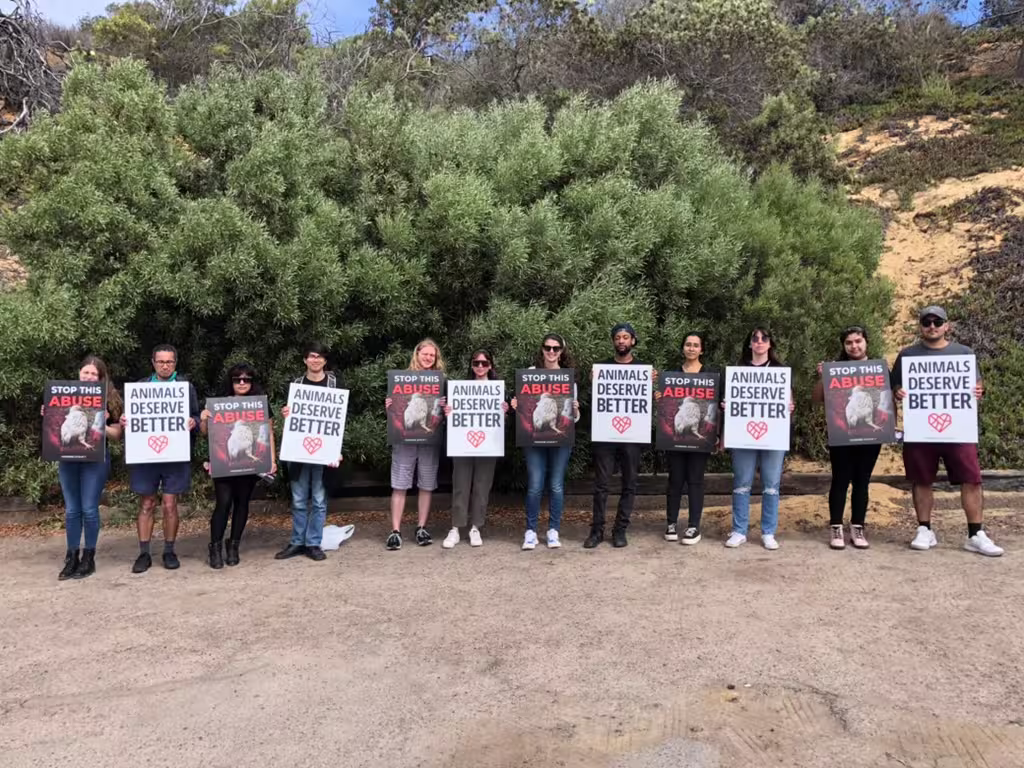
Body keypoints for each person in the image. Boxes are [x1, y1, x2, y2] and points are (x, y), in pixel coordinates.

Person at [892, 305, 1002, 557]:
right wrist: (898, 391)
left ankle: (975, 533)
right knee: (921, 479)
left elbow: (977, 384)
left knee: (971, 478)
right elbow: (896, 386)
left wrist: (979, 391)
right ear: (920, 326)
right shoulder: (907, 355)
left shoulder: (964, 353)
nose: (932, 326)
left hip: (958, 428)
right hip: (920, 428)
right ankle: (924, 529)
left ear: (946, 325)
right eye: (927, 322)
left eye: (937, 322)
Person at [123, 344, 200, 573]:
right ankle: (144, 553)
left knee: (169, 504)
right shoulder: (140, 387)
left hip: (175, 455)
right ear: (153, 362)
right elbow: (128, 418)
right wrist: (125, 421)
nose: (165, 365)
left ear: (175, 363)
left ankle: (169, 550)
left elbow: (196, 416)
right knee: (146, 503)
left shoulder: (186, 387)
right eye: (160, 361)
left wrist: (193, 422)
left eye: (169, 362)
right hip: (145, 456)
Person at [51, 356, 123, 580]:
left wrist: (101, 424)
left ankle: (88, 557)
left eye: (94, 374)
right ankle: (71, 555)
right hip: (68, 459)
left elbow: (117, 435)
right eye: (86, 373)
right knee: (72, 509)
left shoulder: (109, 399)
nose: (89, 377)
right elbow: (54, 428)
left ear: (101, 378)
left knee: (89, 509)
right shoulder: (62, 396)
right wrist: (48, 414)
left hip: (95, 460)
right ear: (79, 373)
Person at [200, 362, 277, 568]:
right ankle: (215, 546)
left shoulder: (260, 404)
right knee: (223, 503)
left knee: (242, 502)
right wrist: (204, 419)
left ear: (252, 382)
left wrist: (272, 460)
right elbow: (206, 433)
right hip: (225, 463)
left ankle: (233, 545)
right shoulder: (219, 403)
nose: (242, 383)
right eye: (237, 379)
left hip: (249, 465)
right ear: (231, 382)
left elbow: (268, 432)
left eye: (246, 379)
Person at [813, 326, 883, 550]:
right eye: (849, 342)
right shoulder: (836, 369)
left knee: (862, 481)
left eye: (858, 341)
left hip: (871, 435)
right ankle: (836, 526)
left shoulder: (878, 369)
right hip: (842, 433)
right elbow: (817, 399)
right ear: (844, 346)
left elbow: (888, 399)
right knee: (840, 480)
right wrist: (822, 378)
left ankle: (858, 527)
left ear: (866, 342)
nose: (854, 346)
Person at [726, 327, 795, 550]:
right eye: (754, 338)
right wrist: (726, 405)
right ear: (749, 344)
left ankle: (768, 532)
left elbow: (789, 401)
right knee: (741, 484)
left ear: (770, 343)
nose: (759, 342)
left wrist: (790, 406)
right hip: (742, 435)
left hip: (773, 434)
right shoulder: (738, 371)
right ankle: (739, 530)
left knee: (772, 485)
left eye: (764, 338)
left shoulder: (780, 371)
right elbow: (728, 400)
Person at [510, 334, 580, 550]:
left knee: (556, 486)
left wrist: (576, 410)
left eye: (556, 348)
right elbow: (524, 406)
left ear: (561, 351)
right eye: (547, 348)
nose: (551, 352)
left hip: (561, 440)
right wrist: (515, 405)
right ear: (542, 350)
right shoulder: (530, 374)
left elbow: (573, 417)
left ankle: (553, 530)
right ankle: (530, 531)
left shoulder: (569, 379)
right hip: (534, 438)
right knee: (535, 485)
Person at [275, 342, 341, 562]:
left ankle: (313, 543)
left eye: (320, 356)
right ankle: (297, 541)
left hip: (324, 451)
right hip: (299, 451)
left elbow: (340, 421)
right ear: (305, 360)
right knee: (299, 499)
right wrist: (286, 414)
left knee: (320, 500)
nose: (315, 360)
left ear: (325, 360)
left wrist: (337, 449)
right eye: (312, 356)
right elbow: (291, 420)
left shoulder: (334, 384)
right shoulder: (296, 384)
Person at [585, 323, 646, 549]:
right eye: (617, 337)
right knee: (601, 484)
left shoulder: (643, 369)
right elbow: (594, 401)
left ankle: (620, 530)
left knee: (629, 483)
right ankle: (597, 530)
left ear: (633, 341)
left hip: (633, 435)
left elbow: (651, 401)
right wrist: (594, 383)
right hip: (605, 434)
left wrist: (653, 386)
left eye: (626, 337)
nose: (621, 341)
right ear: (613, 341)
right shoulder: (601, 368)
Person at [441, 350, 508, 549]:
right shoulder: (460, 388)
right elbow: (450, 418)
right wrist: (448, 412)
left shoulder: (498, 389)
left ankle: (475, 527)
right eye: (476, 363)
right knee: (460, 485)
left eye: (484, 363)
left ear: (490, 365)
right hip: (462, 443)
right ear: (471, 365)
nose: (480, 366)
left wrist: (504, 413)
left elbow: (503, 422)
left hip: (488, 444)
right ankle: (456, 527)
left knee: (482, 486)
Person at [385, 339, 446, 551]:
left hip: (430, 439)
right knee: (400, 483)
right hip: (404, 439)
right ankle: (395, 531)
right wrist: (389, 406)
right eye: (425, 354)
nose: (428, 358)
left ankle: (421, 528)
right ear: (416, 354)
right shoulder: (401, 379)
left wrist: (447, 408)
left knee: (426, 484)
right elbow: (397, 412)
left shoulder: (441, 381)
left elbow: (443, 412)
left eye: (432, 355)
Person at [660, 332, 714, 546]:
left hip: (700, 440)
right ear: (683, 348)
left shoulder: (710, 375)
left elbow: (714, 408)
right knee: (674, 481)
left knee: (695, 481)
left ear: (702, 350)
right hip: (675, 439)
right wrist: (659, 398)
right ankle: (671, 523)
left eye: (695, 345)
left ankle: (694, 526)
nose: (691, 348)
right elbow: (665, 407)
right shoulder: (672, 375)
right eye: (688, 344)